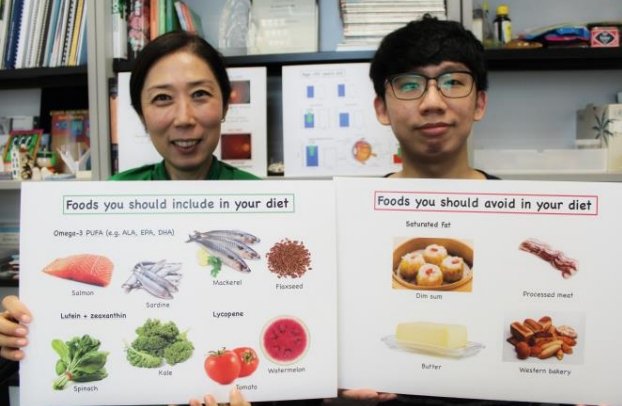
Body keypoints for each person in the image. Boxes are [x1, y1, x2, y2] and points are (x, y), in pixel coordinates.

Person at [0, 31, 256, 405]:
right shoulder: (111, 198)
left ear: (224, 104)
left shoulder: (261, 199)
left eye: (200, 94)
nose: (184, 118)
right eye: (162, 99)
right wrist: (19, 330)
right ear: (140, 114)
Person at [370, 14, 497, 181]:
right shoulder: (359, 205)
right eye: (410, 85)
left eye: (452, 82)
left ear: (479, 104)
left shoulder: (514, 206)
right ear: (382, 109)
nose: (432, 103)